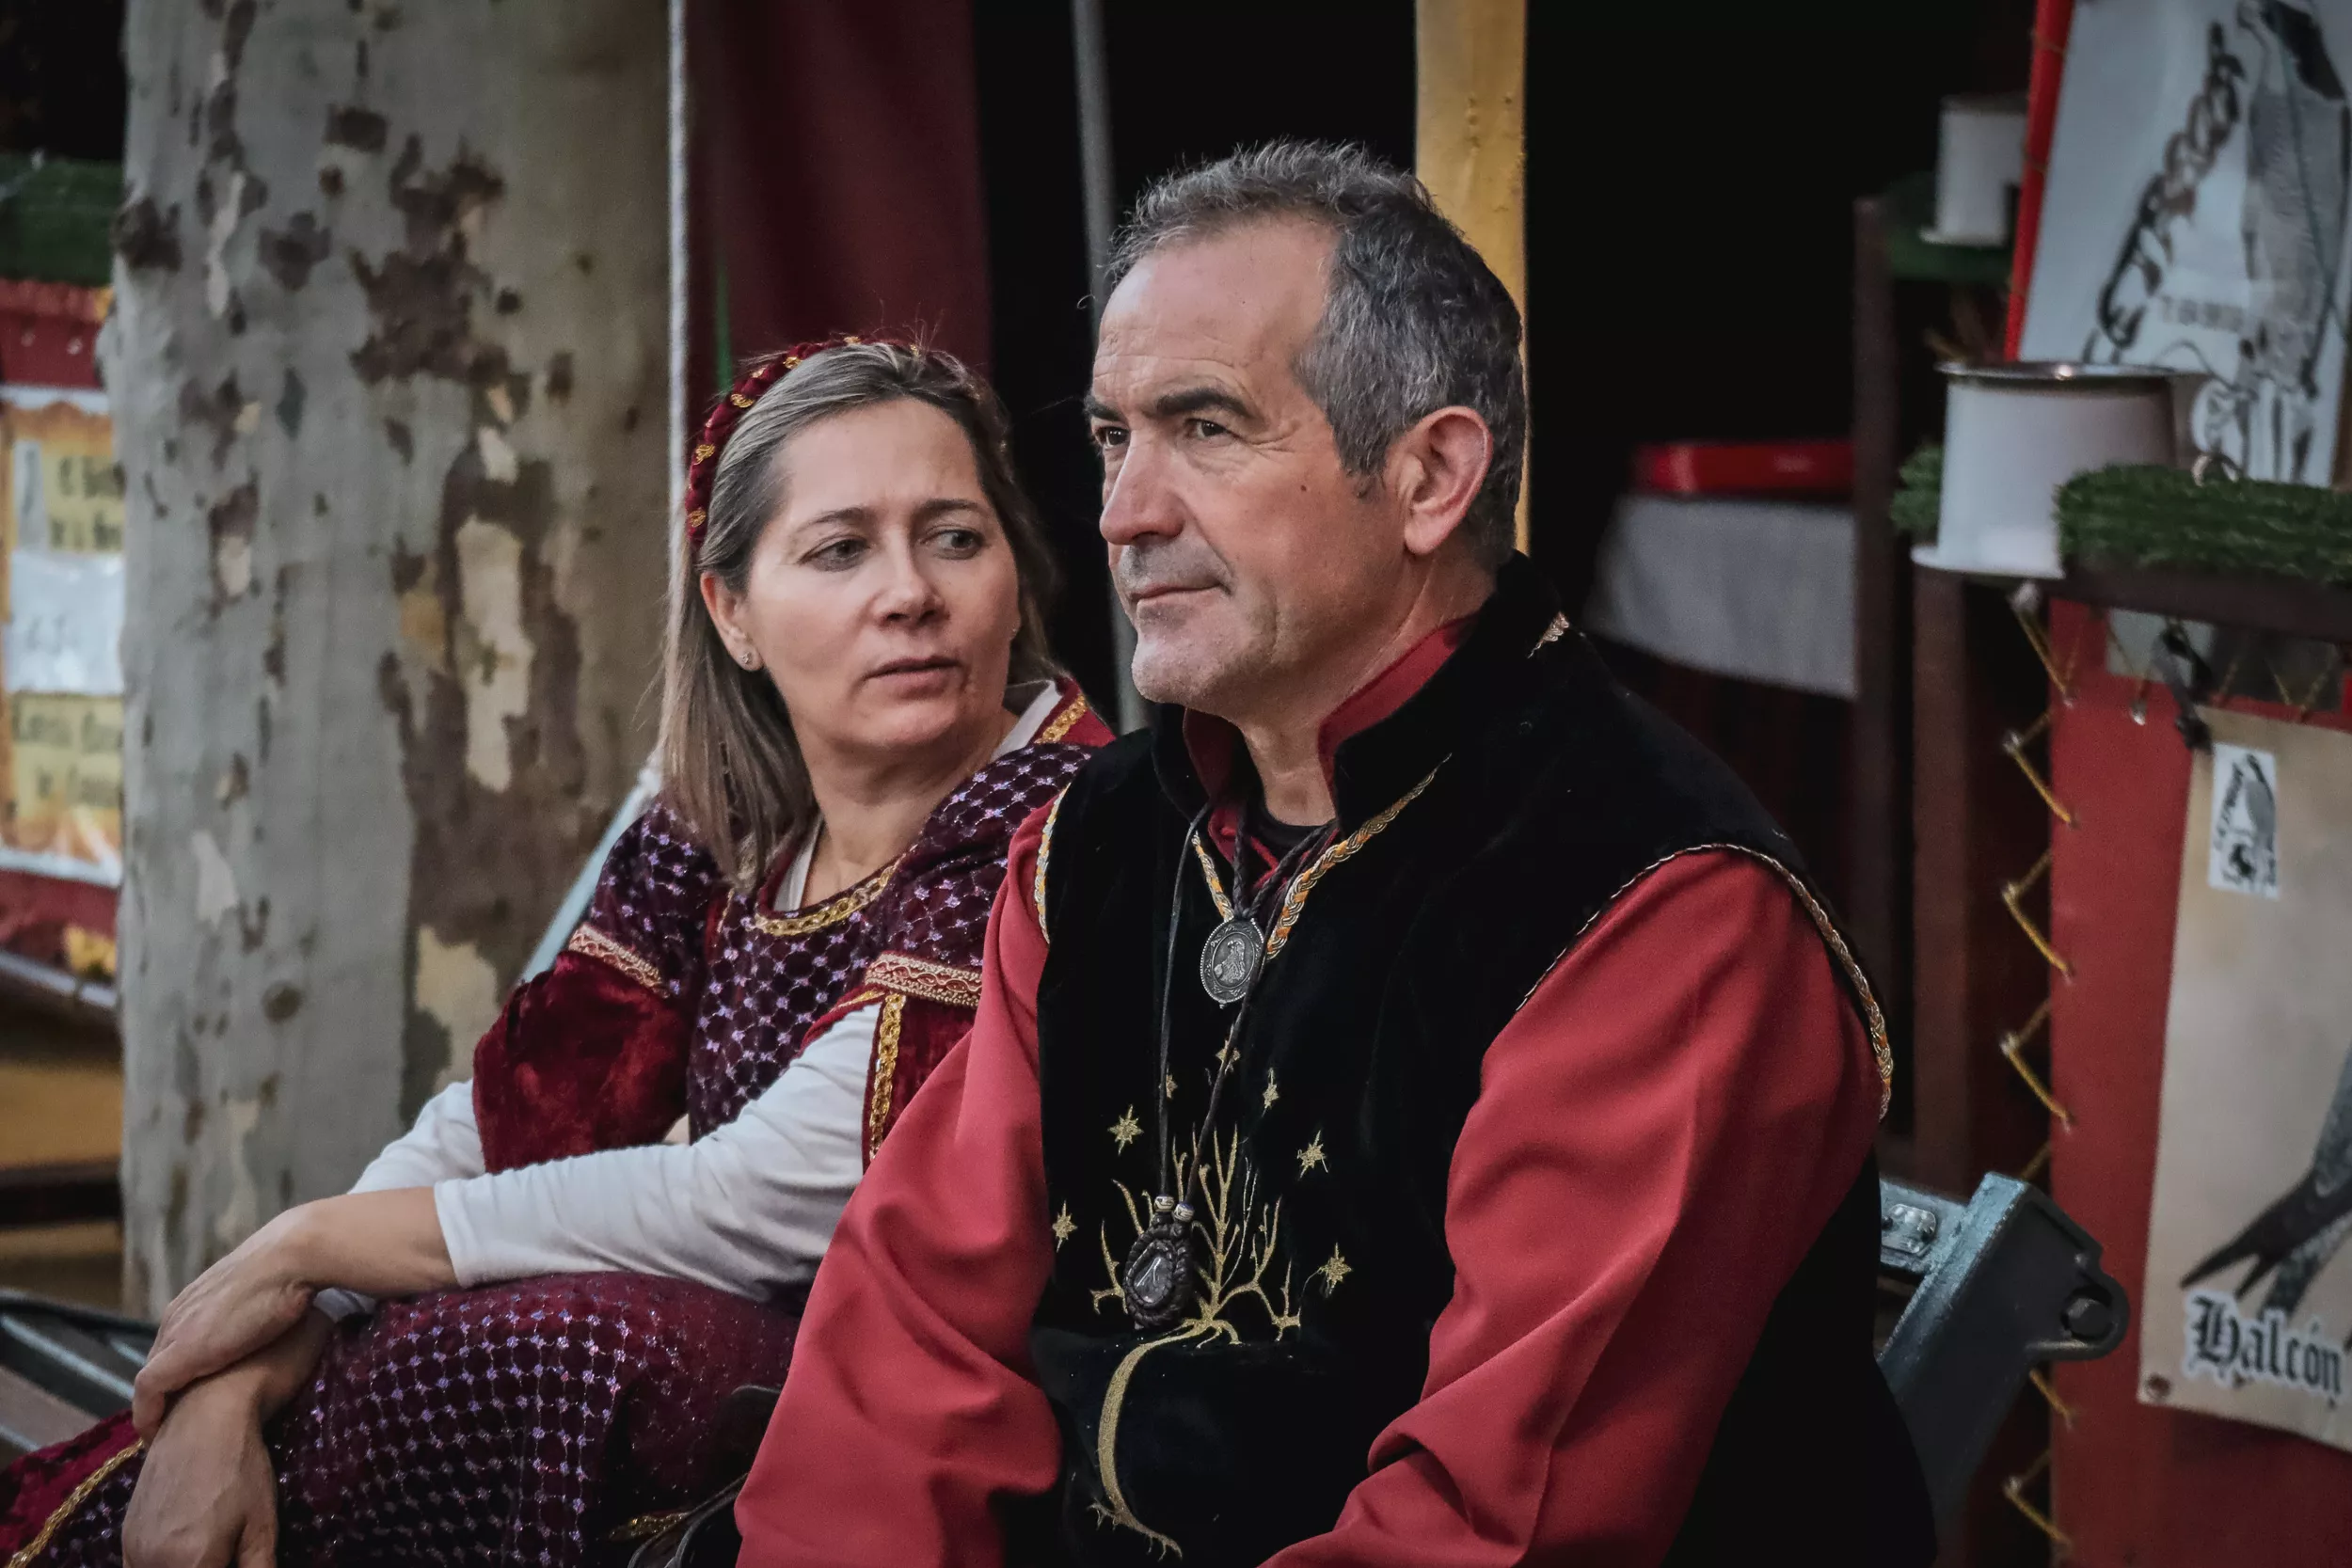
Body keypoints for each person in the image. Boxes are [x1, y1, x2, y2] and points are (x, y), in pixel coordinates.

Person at [734, 145, 1936, 1566]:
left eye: (1206, 427)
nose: (1123, 512)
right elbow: (907, 1346)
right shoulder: (1096, 844)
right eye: (1116, 437)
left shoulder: (1654, 907)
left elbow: (1492, 1526)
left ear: (1430, 475)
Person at [0, 340, 1112, 1567]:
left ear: (1014, 571)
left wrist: (307, 1241)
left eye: (954, 535)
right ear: (732, 612)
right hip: (758, 1348)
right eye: (841, 548)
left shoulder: (1057, 818)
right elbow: (509, 1113)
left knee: (574, 1342)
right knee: (434, 1337)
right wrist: (253, 1362)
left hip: (941, 1392)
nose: (911, 590)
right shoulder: (723, 830)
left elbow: (757, 1202)